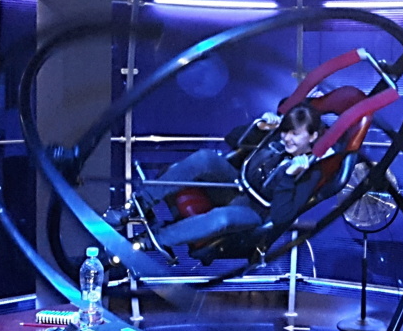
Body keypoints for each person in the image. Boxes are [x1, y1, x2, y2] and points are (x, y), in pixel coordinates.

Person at [132, 102, 327, 251]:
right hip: (235, 184)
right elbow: (232, 139)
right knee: (205, 158)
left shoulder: (310, 172)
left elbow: (281, 216)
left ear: (312, 137)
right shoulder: (277, 138)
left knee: (222, 218)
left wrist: (289, 177)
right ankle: (139, 203)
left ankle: (151, 241)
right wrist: (258, 128)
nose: (287, 138)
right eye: (285, 131)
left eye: (295, 134)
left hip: (255, 211)